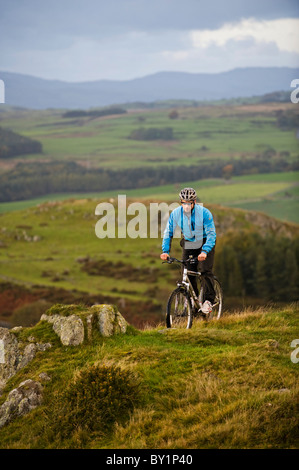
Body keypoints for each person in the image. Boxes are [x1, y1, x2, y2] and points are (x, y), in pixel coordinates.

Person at [160, 187, 216, 314]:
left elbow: (212, 234)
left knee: (205, 270)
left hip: (205, 241)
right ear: (181, 202)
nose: (186, 205)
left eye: (189, 203)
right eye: (184, 202)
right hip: (189, 242)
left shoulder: (204, 213)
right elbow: (168, 232)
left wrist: (205, 251)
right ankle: (193, 301)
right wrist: (165, 251)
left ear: (194, 202)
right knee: (187, 271)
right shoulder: (175, 214)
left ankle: (208, 301)